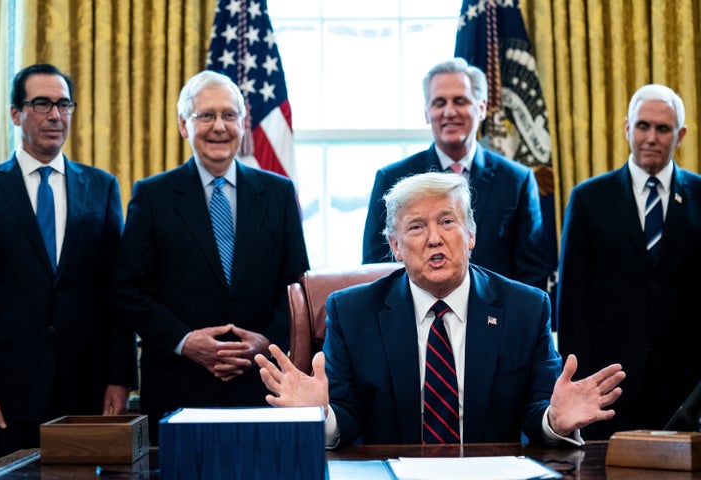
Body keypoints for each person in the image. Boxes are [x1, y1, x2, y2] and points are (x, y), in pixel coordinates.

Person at [255, 172, 625, 447]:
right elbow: (348, 417)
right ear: (396, 246)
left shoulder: (524, 308)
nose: (434, 238)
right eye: (416, 227)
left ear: (471, 235)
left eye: (448, 221)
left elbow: (538, 410)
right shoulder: (353, 313)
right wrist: (318, 418)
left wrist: (555, 422)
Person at [113, 70, 310, 444]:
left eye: (229, 115)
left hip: (261, 387)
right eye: (205, 115)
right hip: (177, 388)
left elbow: (297, 286)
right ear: (184, 126)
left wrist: (265, 342)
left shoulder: (279, 193)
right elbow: (129, 291)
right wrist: (186, 342)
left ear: (244, 123)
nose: (219, 126)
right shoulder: (152, 196)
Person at [0, 64, 138, 462]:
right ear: (15, 113)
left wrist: (121, 379)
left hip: (85, 389)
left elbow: (116, 292)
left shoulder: (101, 187)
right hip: (5, 392)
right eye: (42, 104)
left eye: (64, 104)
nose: (56, 115)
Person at [557, 84, 701, 439]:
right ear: (627, 128)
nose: (651, 137)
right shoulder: (589, 198)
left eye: (663, 129)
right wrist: (580, 384)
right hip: (609, 383)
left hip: (685, 384)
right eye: (642, 126)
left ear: (679, 135)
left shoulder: (699, 196)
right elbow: (572, 301)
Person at [362, 58, 549, 291]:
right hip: (417, 320)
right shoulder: (392, 180)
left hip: (496, 320)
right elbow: (376, 268)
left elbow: (532, 274)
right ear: (427, 113)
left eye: (460, 101)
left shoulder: (516, 181)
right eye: (439, 103)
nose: (449, 112)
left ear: (481, 108)